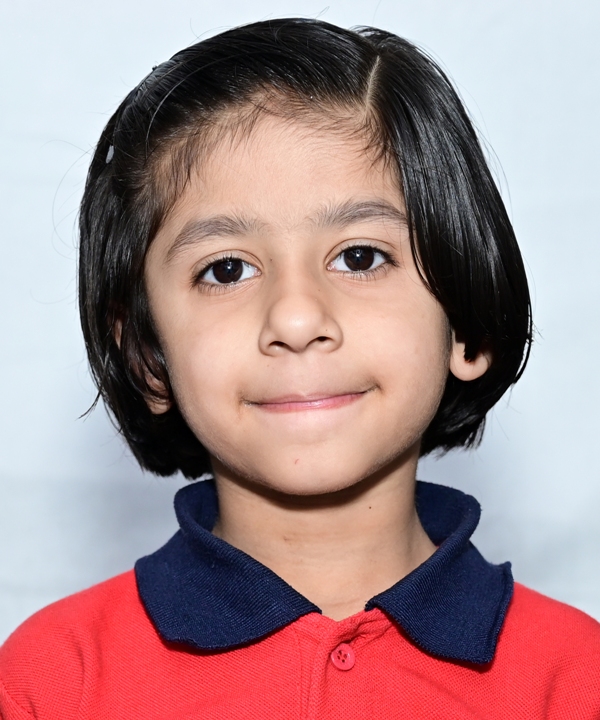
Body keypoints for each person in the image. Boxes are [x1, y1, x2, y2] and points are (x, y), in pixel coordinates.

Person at [1, 17, 599, 719]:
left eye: (360, 257)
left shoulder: (575, 681)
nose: (294, 317)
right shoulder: (52, 681)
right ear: (146, 355)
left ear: (465, 322)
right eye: (226, 270)